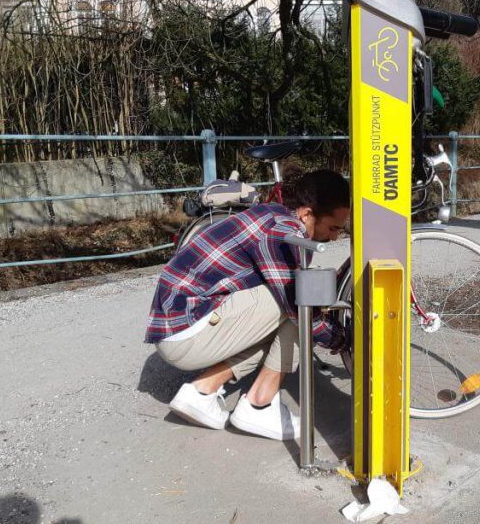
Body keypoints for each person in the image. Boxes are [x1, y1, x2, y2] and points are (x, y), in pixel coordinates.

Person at [144, 169, 350, 441]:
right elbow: (301, 310)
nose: (335, 238)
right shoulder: (281, 234)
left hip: (181, 322)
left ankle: (201, 392)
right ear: (307, 214)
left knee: (290, 304)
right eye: (333, 228)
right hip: (185, 331)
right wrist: (342, 340)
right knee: (299, 304)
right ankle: (258, 405)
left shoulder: (274, 214)